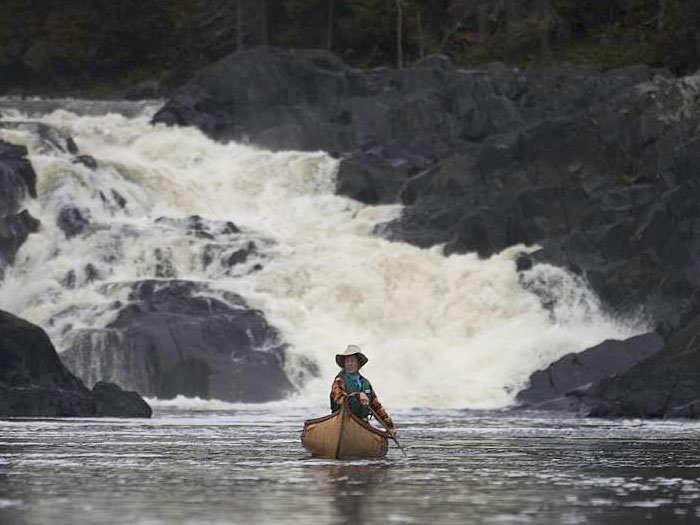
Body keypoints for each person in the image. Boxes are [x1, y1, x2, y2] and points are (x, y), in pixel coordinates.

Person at [330, 344, 396, 437]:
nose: (350, 364)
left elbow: (377, 407)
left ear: (358, 363)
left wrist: (389, 426)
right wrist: (357, 395)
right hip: (342, 422)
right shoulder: (339, 381)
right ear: (344, 364)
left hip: (362, 424)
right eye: (347, 361)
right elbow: (339, 398)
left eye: (353, 360)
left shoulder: (366, 383)